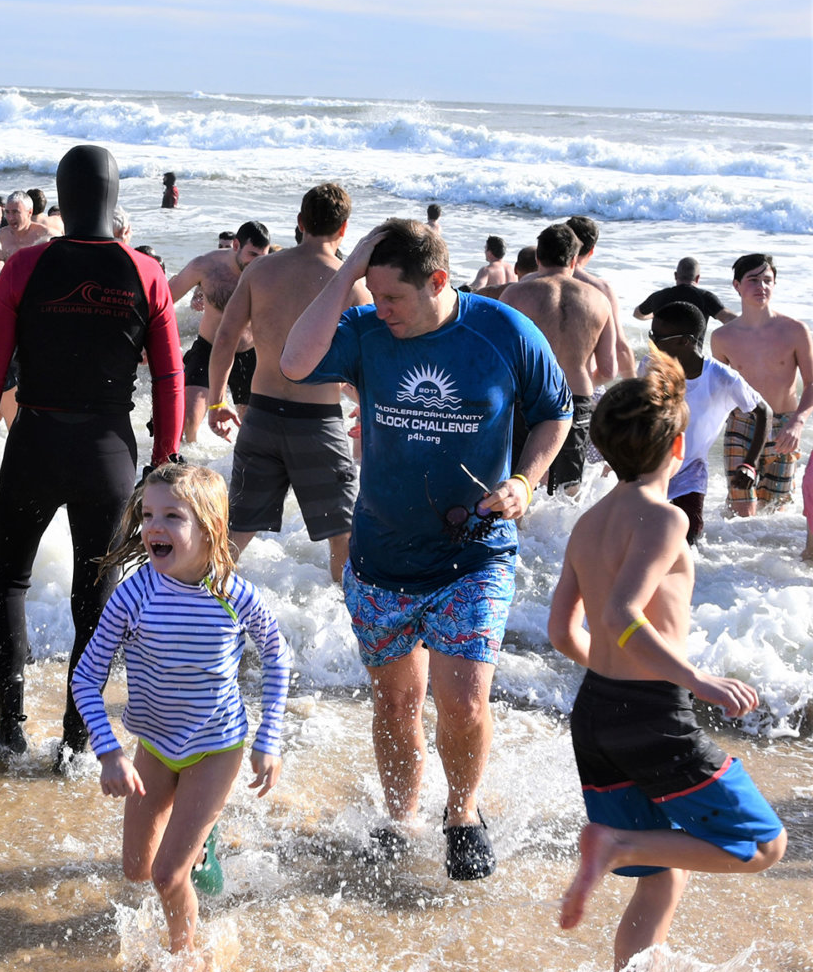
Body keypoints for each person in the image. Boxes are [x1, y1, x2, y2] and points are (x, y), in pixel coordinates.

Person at [279, 219, 573, 879]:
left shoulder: (501, 332)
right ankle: (400, 814)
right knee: (395, 704)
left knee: (465, 699)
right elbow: (293, 363)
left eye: (393, 299)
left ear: (439, 282)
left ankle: (462, 813)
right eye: (373, 296)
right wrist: (352, 263)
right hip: (382, 554)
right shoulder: (366, 331)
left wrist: (525, 479)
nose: (380, 310)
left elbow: (556, 410)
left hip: (475, 553)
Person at [548, 350, 786, 972]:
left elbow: (567, 630)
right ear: (680, 446)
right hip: (656, 718)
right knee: (764, 845)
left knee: (660, 882)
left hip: (596, 713)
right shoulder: (666, 521)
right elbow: (623, 610)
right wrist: (701, 683)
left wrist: (617, 676)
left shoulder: (588, 522)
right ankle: (616, 843)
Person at [0, 143, 185, 772]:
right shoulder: (146, 273)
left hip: (35, 441)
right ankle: (77, 742)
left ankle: (9, 729)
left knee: (8, 584)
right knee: (96, 599)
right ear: (116, 197)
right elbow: (169, 378)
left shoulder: (26, 266)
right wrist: (165, 463)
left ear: (63, 194)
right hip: (109, 454)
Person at [73, 464, 292, 953]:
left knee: (166, 875)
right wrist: (109, 752)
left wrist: (269, 737)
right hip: (155, 745)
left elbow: (278, 656)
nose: (154, 527)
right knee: (136, 870)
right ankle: (200, 847)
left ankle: (183, 957)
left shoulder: (234, 595)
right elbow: (86, 677)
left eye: (173, 516)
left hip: (216, 748)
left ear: (210, 528)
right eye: (148, 514)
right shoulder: (134, 593)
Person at [208, 183, 367, 582]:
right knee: (343, 538)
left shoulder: (260, 270)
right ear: (344, 229)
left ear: (299, 222)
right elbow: (373, 362)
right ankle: (353, 634)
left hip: (260, 417)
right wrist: (369, 409)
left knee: (236, 531)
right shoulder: (349, 285)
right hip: (319, 424)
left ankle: (200, 615)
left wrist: (216, 402)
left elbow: (225, 338)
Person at [499, 224, 615, 495]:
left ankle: (523, 536)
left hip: (527, 396)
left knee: (520, 481)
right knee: (567, 489)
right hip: (576, 397)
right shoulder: (598, 300)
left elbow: (498, 357)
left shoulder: (515, 295)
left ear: (538, 258)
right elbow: (609, 368)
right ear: (575, 259)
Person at [645, 301, 765, 544]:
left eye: (659, 338)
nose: (653, 344)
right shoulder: (651, 368)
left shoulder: (721, 378)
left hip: (691, 473)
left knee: (689, 543)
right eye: (651, 335)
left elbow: (763, 411)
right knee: (645, 539)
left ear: (685, 341)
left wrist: (750, 463)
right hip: (650, 470)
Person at [709, 254, 812, 516]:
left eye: (767, 280)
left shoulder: (795, 331)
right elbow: (719, 391)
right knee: (742, 511)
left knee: (773, 513)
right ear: (737, 285)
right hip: (742, 423)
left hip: (783, 426)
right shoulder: (722, 337)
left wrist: (798, 422)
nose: (761, 286)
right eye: (753, 280)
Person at [169, 220, 271, 444]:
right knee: (188, 421)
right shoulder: (205, 266)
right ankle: (191, 468)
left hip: (249, 353)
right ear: (235, 245)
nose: (257, 262)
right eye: (252, 254)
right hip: (209, 348)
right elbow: (164, 300)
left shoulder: (268, 272)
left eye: (262, 256)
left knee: (251, 431)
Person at [565, 214, 635, 379]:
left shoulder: (535, 281)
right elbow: (620, 348)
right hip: (583, 385)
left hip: (540, 389)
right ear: (592, 250)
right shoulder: (600, 289)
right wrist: (636, 392)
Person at [632, 256, 736, 326]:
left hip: (660, 357)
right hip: (693, 358)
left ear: (676, 276)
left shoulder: (658, 296)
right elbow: (729, 319)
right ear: (697, 278)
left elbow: (637, 314)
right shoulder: (706, 298)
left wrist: (654, 315)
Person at [0, 191, 50, 256]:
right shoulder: (1, 236)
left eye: (15, 212)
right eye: (7, 212)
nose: (10, 218)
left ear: (29, 212)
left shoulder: (45, 235)